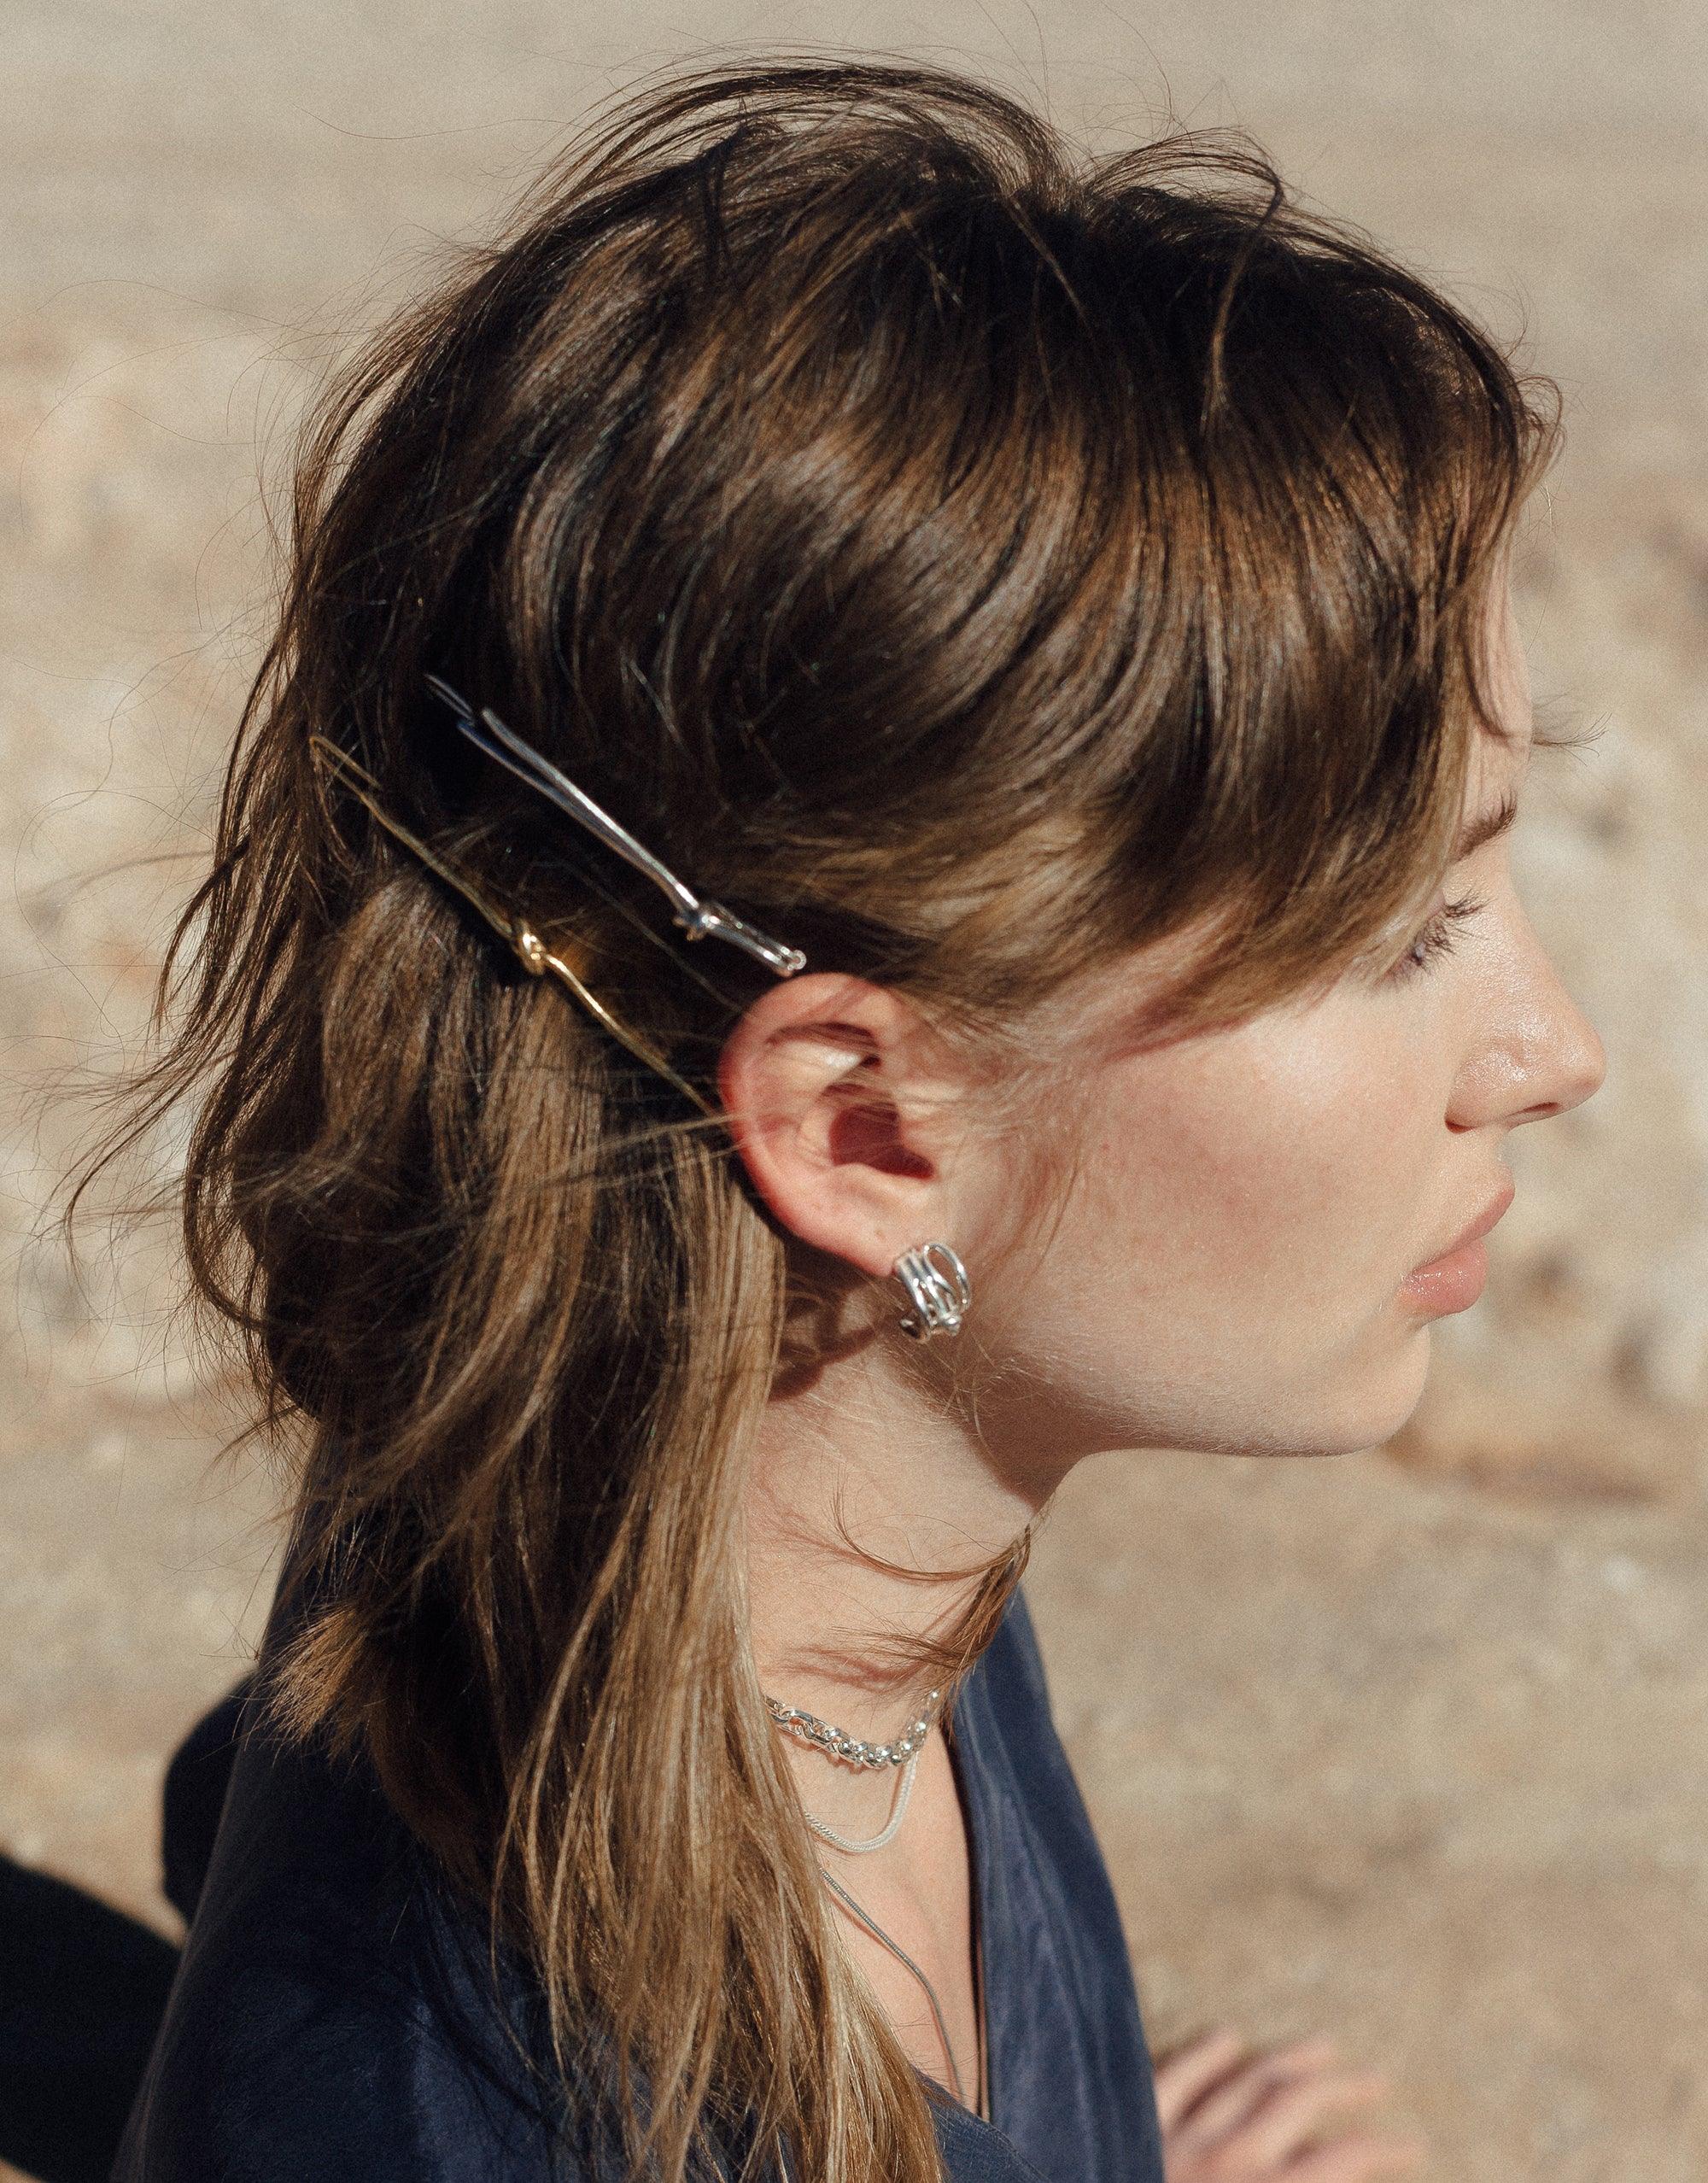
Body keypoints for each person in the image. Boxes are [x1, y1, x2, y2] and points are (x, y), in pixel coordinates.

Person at [91, 55, 1606, 2183]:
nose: (1552, 1047)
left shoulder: (745, 1447)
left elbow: (232, 1800)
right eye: (1401, 935)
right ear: (868, 1129)